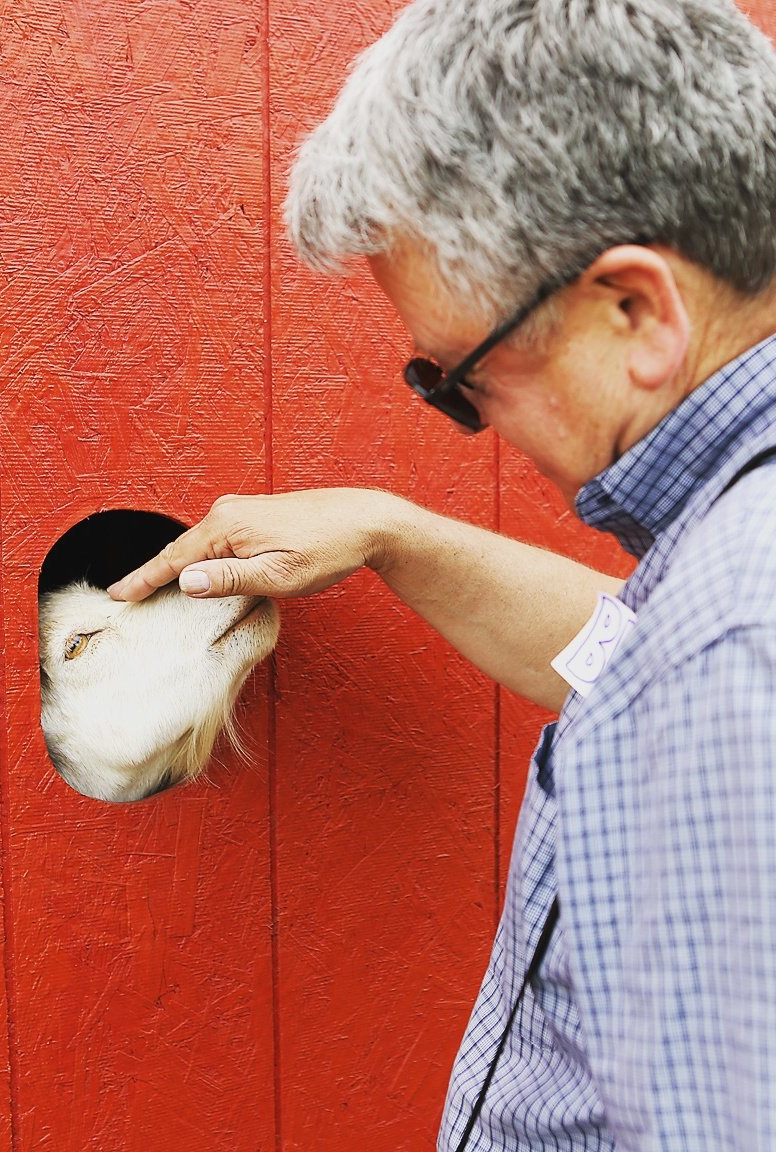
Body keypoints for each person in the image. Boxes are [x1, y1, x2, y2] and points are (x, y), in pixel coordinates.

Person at [108, 0, 776, 1147]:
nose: (468, 421)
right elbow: (631, 662)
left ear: (635, 310)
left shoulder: (728, 649)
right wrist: (394, 533)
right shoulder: (724, 583)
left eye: (459, 382)